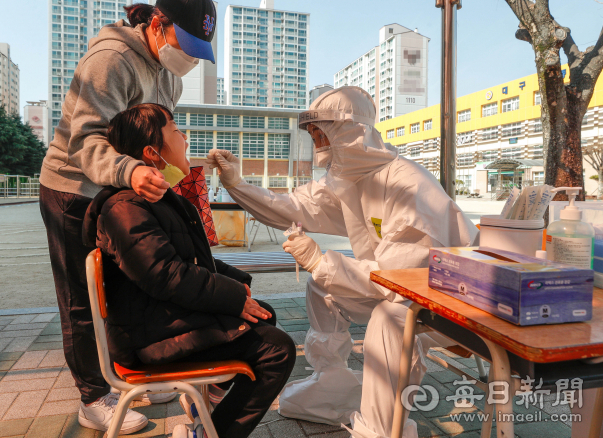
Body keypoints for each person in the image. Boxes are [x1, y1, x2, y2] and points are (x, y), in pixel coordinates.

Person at [206, 86, 479, 438]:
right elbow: (290, 207)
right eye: (312, 133)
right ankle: (332, 382)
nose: (316, 141)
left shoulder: (408, 185)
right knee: (322, 287)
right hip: (400, 286)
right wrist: (237, 184)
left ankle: (383, 428)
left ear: (348, 131)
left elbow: (401, 279)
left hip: (449, 298)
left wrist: (322, 260)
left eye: (321, 132)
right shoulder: (350, 179)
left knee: (389, 320)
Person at [38, 0, 218, 432]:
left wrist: (178, 169)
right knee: (84, 298)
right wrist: (130, 170)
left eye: (199, 51)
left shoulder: (168, 72)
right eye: (186, 45)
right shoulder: (111, 59)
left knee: (127, 288)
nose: (190, 59)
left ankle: (127, 374)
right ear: (158, 23)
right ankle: (92, 396)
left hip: (123, 189)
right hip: (74, 189)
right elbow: (85, 140)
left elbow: (157, 135)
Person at [83, 103, 296, 438]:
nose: (185, 138)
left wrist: (239, 286)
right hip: (148, 338)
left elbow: (193, 260)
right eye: (176, 130)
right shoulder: (124, 208)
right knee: (276, 350)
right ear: (152, 152)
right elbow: (166, 274)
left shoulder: (161, 200)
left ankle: (206, 400)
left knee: (263, 315)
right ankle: (211, 431)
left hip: (160, 320)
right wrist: (233, 296)